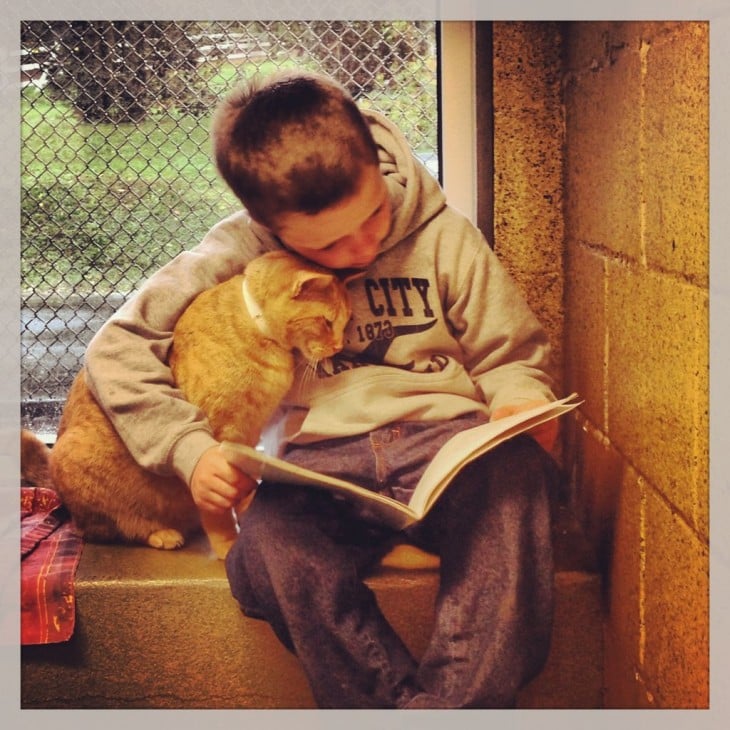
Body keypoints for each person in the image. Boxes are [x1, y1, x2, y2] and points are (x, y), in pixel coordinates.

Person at [83, 69, 561, 708]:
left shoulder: (446, 235)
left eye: (374, 216)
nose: (364, 245)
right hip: (319, 467)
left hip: (443, 453)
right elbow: (116, 349)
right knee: (267, 553)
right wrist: (188, 450)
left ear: (376, 164)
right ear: (270, 227)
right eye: (330, 245)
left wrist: (518, 400)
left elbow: (510, 354)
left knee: (519, 486)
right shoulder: (240, 251)